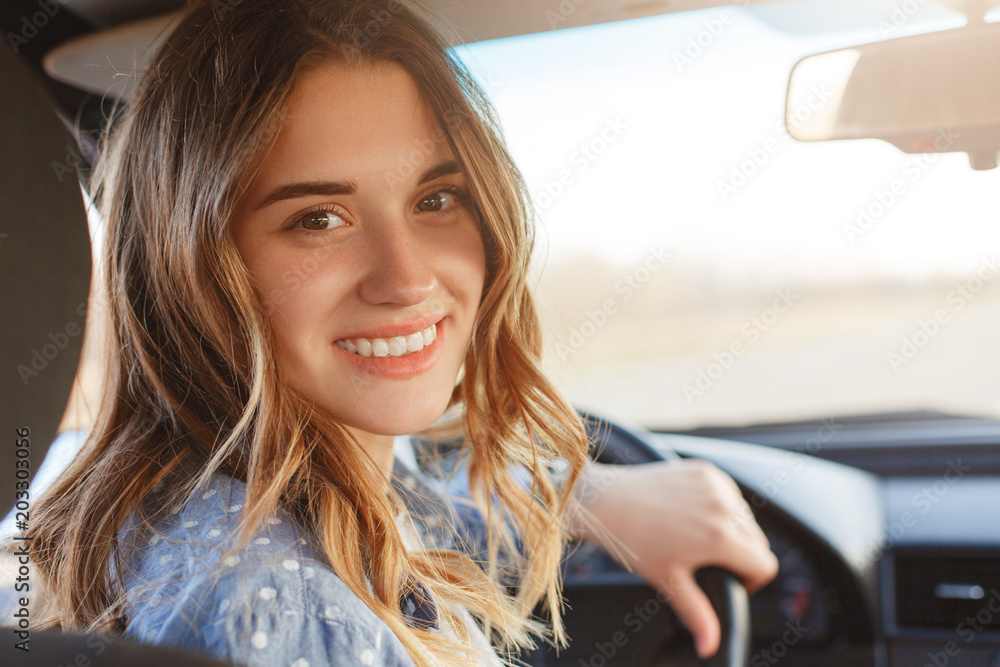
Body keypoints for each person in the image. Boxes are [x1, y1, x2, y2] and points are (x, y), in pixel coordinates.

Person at [28, 1, 778, 665]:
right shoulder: (286, 610)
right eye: (318, 219)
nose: (408, 278)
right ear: (187, 271)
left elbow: (407, 502)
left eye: (436, 197)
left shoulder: (196, 501)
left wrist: (580, 499)